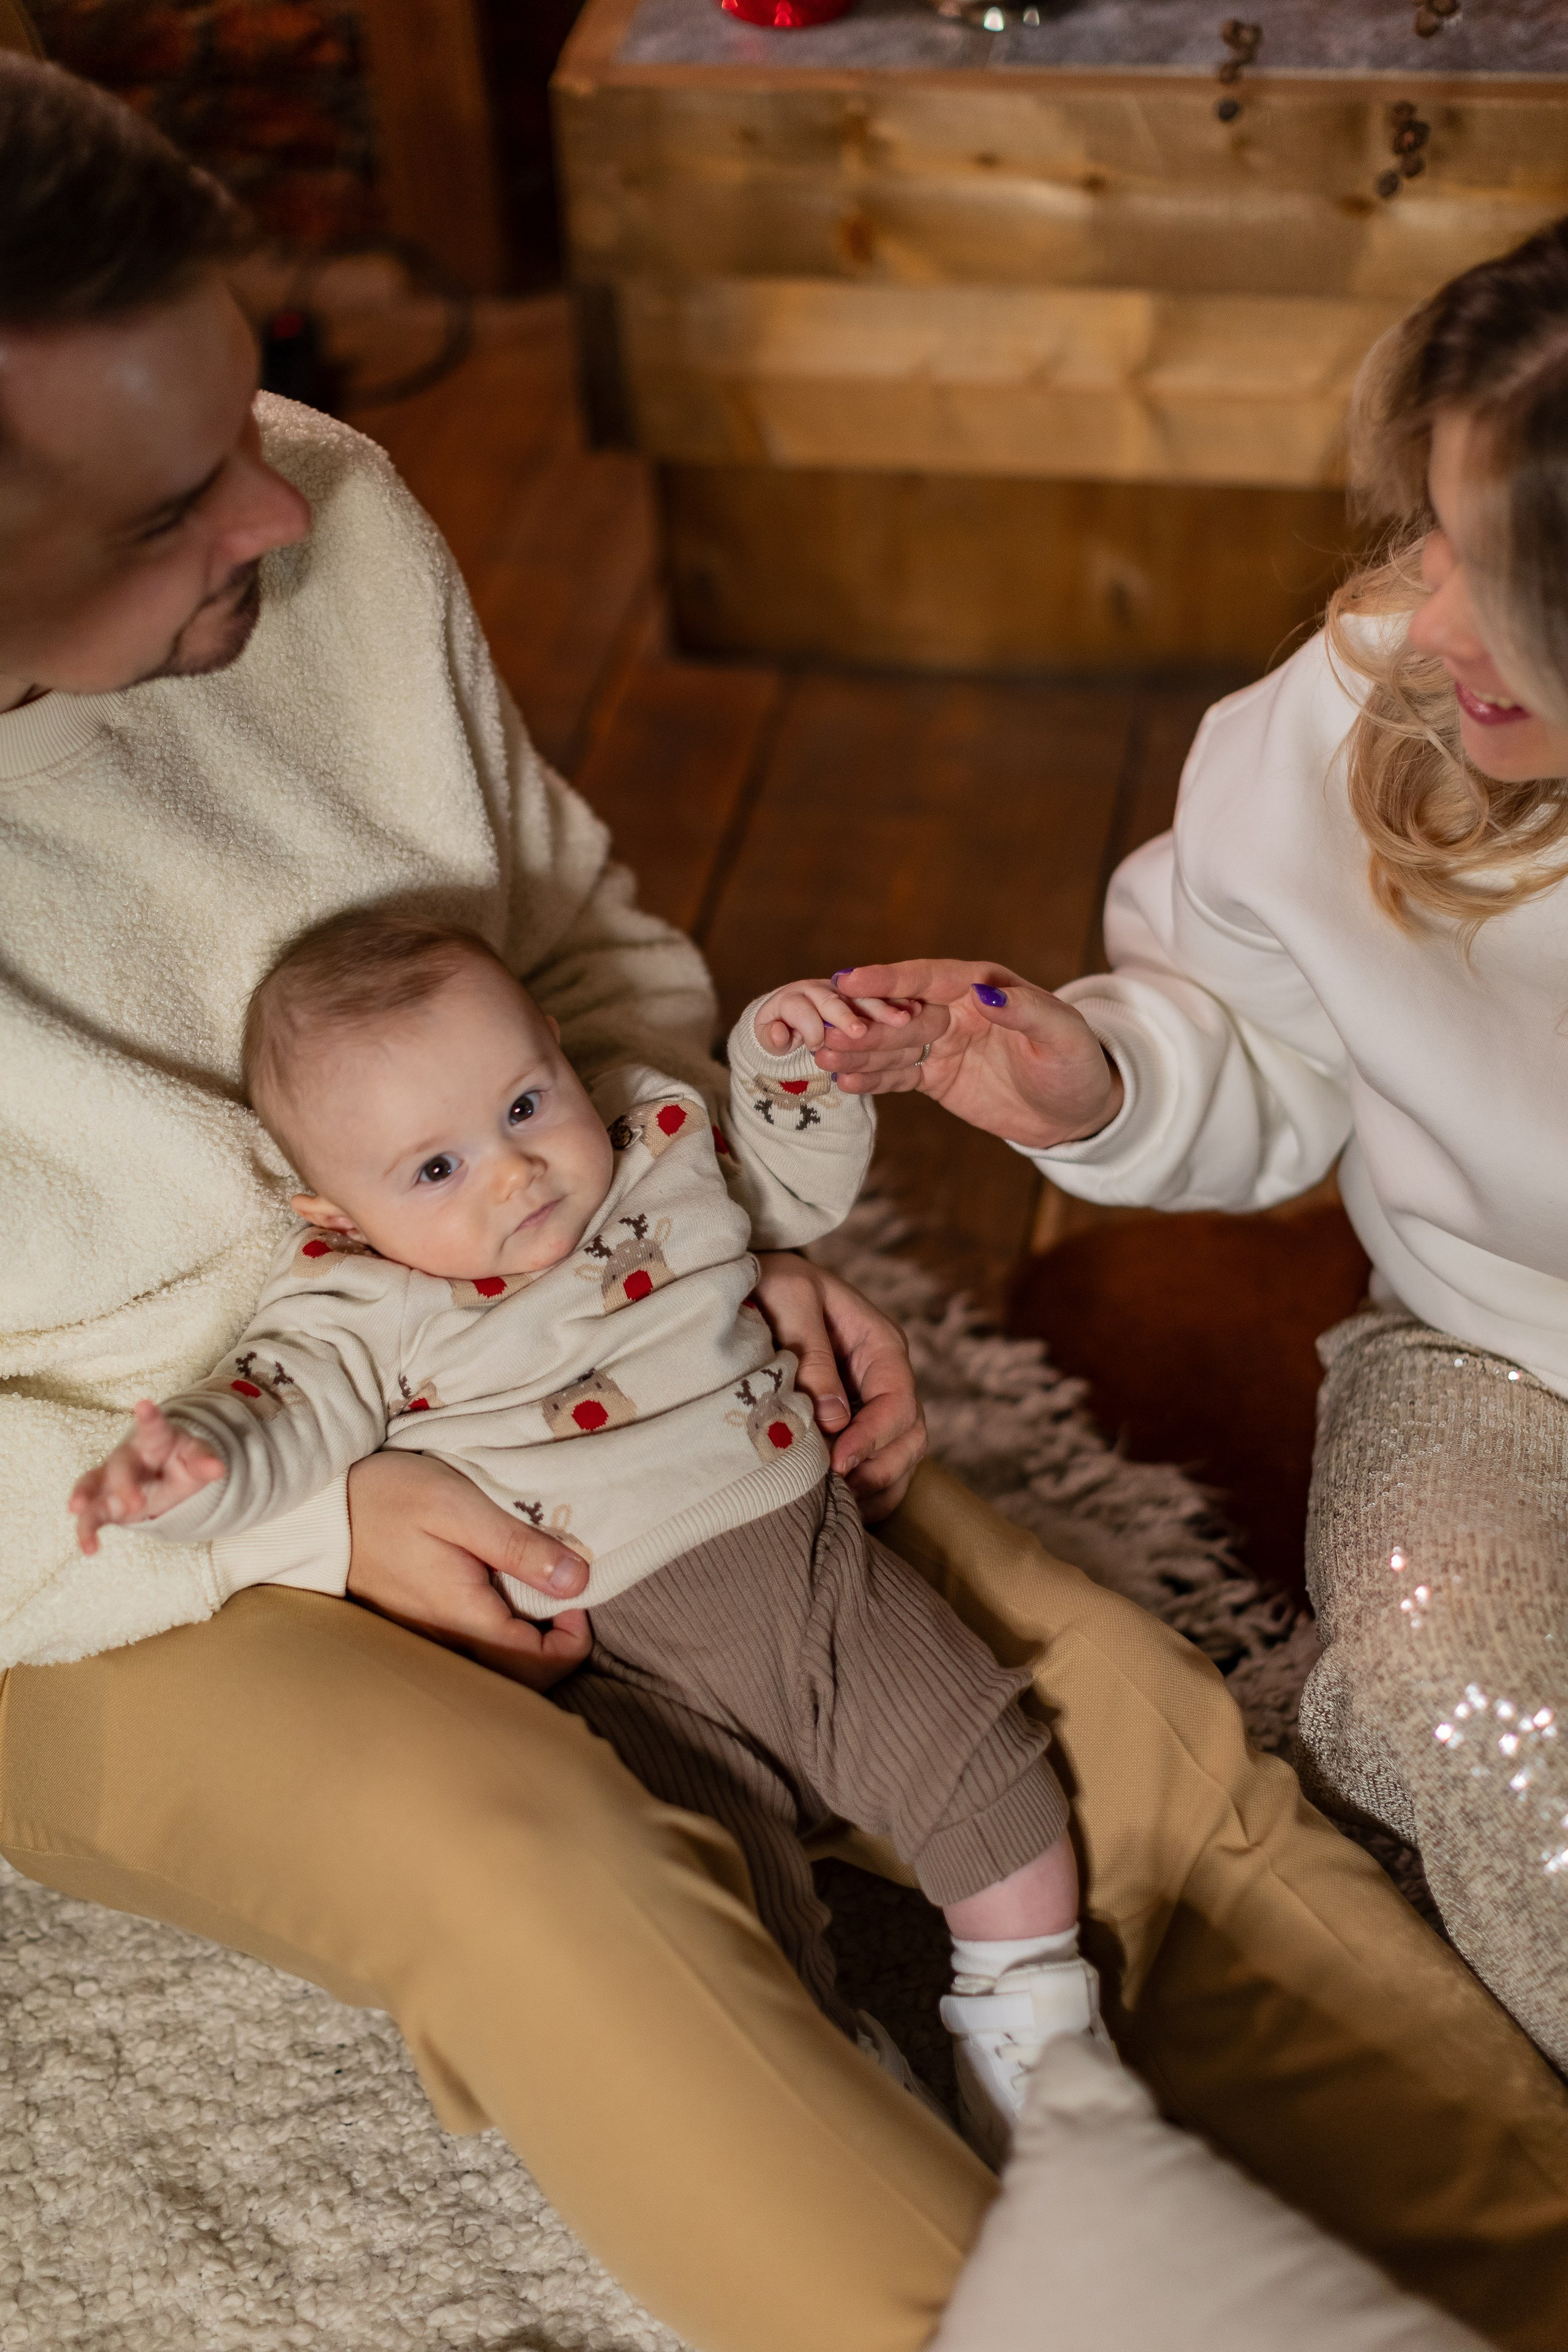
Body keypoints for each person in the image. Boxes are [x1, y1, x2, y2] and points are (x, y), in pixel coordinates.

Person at [2, 50, 1568, 2352]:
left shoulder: (322, 520)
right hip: (114, 1543)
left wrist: (752, 1227)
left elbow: (587, 954)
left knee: (1098, 1714)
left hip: (591, 1334)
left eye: (258, 410)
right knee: (556, 1870)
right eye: (164, 507)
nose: (269, 514)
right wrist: (299, 1527)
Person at [834, 216, 1568, 2094]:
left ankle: (1268, 1814)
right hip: (1494, 1364)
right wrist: (1105, 1082)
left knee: (1379, 1762)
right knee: (1441, 1672)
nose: (1431, 620)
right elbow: (1250, 1041)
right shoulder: (1356, 721)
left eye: (1513, 582)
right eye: (1432, 535)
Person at [69, 911, 1104, 2162]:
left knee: (987, 1770)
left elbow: (788, 1191)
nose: (513, 1171)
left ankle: (1033, 2024)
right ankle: (846, 2099)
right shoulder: (358, 1302)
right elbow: (281, 1417)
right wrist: (193, 1463)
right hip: (614, 1659)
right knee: (713, 1922)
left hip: (808, 1569)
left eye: (522, 1104)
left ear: (561, 1054)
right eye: (433, 1170)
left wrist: (784, 1062)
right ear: (332, 1213)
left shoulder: (653, 1144)